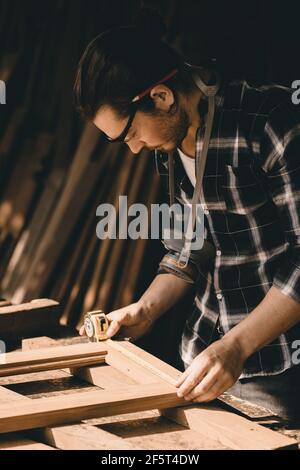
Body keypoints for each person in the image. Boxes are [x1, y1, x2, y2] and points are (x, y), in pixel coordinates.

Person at [74, 10, 300, 423]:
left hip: (280, 373)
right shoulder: (170, 142)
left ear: (161, 96)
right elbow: (189, 248)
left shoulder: (270, 123)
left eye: (129, 134)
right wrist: (145, 309)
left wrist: (237, 346)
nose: (134, 149)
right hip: (201, 362)